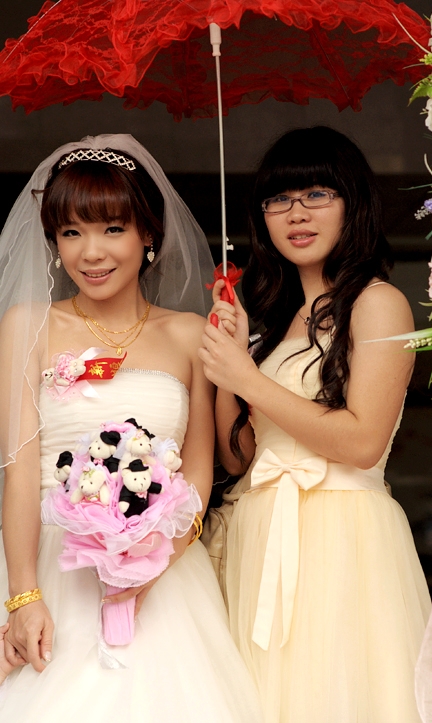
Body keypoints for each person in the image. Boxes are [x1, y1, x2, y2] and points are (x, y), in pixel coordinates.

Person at [0, 134, 263, 722]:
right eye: (71, 232)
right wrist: (23, 596)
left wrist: (149, 566)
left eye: (112, 228)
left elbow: (199, 474)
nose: (91, 252)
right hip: (52, 563)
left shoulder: (192, 333)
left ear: (148, 234)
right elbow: (19, 474)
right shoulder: (27, 324)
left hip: (163, 572)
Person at [199, 126, 432, 723]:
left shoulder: (378, 302)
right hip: (259, 532)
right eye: (278, 199)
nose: (296, 214)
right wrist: (230, 364)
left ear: (353, 203)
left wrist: (249, 380)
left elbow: (362, 441)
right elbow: (239, 459)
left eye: (316, 194)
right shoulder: (272, 318)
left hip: (341, 533)